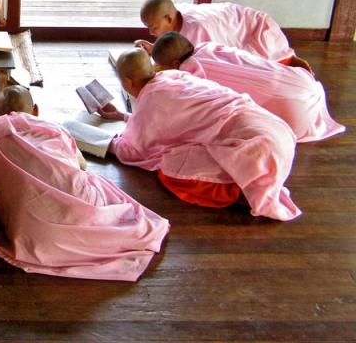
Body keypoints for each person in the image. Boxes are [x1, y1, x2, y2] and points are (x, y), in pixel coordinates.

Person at [0, 86, 170, 282]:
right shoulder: (53, 129)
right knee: (99, 184)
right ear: (35, 110)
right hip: (74, 212)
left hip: (27, 235)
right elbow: (81, 165)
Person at [98, 49, 301, 221]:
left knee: (171, 167)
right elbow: (173, 120)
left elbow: (136, 150)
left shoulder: (152, 102)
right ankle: (256, 178)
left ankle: (245, 189)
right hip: (276, 133)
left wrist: (107, 144)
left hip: (257, 149)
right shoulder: (174, 77)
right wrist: (122, 116)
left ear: (128, 81)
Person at [152, 32, 344, 143]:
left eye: (163, 66)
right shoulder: (209, 47)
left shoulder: (188, 74)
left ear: (176, 64)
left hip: (294, 116)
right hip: (304, 82)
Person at [135, 0, 311, 72]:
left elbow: (198, 66)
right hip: (237, 21)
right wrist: (153, 48)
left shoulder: (197, 31)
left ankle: (292, 64)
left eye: (153, 27)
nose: (150, 32)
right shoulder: (176, 14)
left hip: (258, 30)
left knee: (263, 69)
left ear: (168, 18)